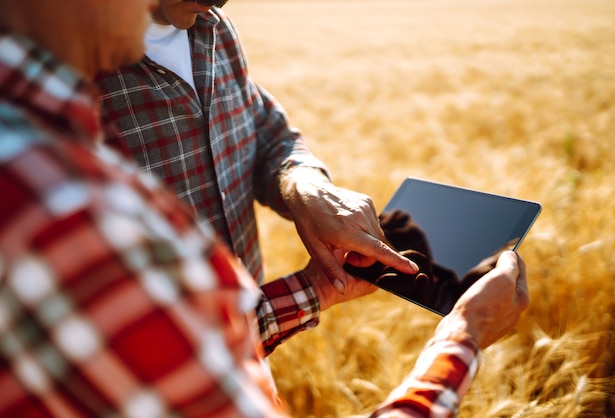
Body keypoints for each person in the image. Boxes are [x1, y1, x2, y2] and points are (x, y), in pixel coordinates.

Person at [0, 0, 530, 416]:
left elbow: (262, 128)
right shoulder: (76, 212)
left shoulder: (210, 32)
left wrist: (304, 199)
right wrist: (465, 335)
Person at [94, 0, 419, 295]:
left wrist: (303, 185)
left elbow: (263, 131)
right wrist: (310, 295)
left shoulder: (215, 27)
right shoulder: (73, 66)